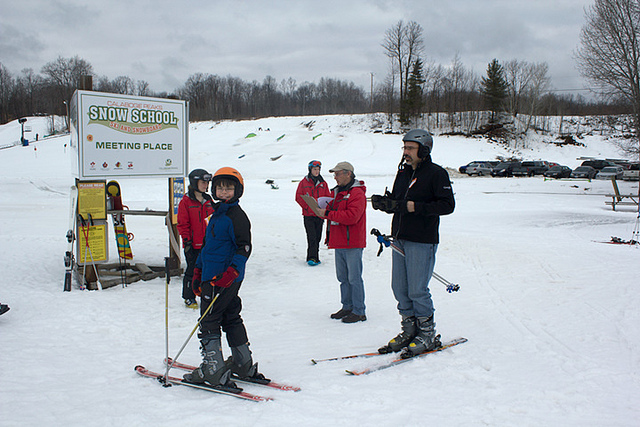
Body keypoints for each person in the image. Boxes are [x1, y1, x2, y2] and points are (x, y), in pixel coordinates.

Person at [371, 129, 455, 358]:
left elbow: (447, 205)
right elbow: (400, 202)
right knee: (399, 288)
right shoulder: (403, 172)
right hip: (400, 236)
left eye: (410, 148)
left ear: (424, 150)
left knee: (417, 290)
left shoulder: (436, 174)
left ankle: (427, 333)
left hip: (422, 239)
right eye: (404, 147)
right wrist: (387, 203)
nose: (405, 152)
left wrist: (415, 207)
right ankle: (409, 330)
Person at [184, 167, 266, 388]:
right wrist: (197, 271)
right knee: (230, 316)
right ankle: (242, 363)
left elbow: (244, 247)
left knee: (209, 320)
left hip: (222, 278)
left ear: (237, 190)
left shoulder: (236, 216)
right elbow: (209, 246)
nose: (224, 192)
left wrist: (232, 272)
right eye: (220, 188)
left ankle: (213, 370)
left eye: (229, 188)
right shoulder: (217, 214)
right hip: (211, 275)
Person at [317, 161, 367, 324]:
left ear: (348, 174)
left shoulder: (357, 193)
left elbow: (352, 217)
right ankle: (347, 306)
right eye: (334, 174)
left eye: (338, 174)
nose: (335, 177)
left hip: (352, 243)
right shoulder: (338, 192)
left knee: (354, 278)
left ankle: (359, 311)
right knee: (343, 278)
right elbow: (334, 213)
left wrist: (328, 213)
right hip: (339, 241)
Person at [177, 169, 214, 309]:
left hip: (208, 244)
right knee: (192, 272)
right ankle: (189, 297)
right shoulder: (186, 202)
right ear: (194, 183)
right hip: (193, 245)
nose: (206, 185)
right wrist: (187, 242)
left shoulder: (208, 200)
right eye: (203, 182)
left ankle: (206, 295)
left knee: (208, 271)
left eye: (207, 182)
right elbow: (182, 224)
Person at [295, 160, 332, 266]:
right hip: (308, 215)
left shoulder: (323, 183)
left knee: (318, 237)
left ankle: (315, 257)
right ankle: (312, 257)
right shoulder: (303, 182)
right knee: (311, 237)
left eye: (318, 169)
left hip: (319, 214)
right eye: (315, 169)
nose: (316, 171)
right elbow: (298, 197)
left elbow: (328, 198)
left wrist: (324, 208)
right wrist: (308, 207)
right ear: (310, 170)